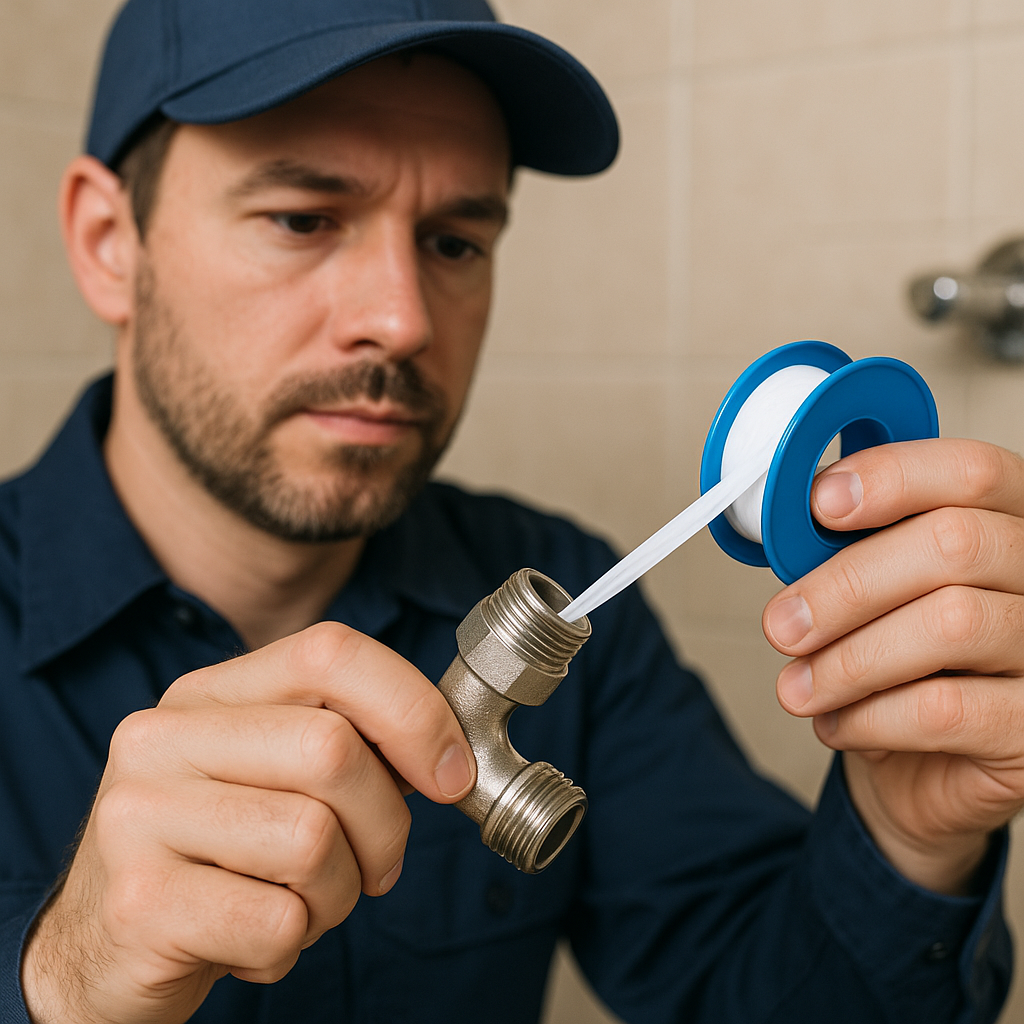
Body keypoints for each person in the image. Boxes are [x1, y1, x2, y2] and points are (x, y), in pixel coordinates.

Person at [2, 0, 1021, 1021]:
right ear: (106, 245)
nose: (399, 319)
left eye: (452, 241)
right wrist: (62, 980)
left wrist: (910, 838)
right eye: (304, 220)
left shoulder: (568, 598)